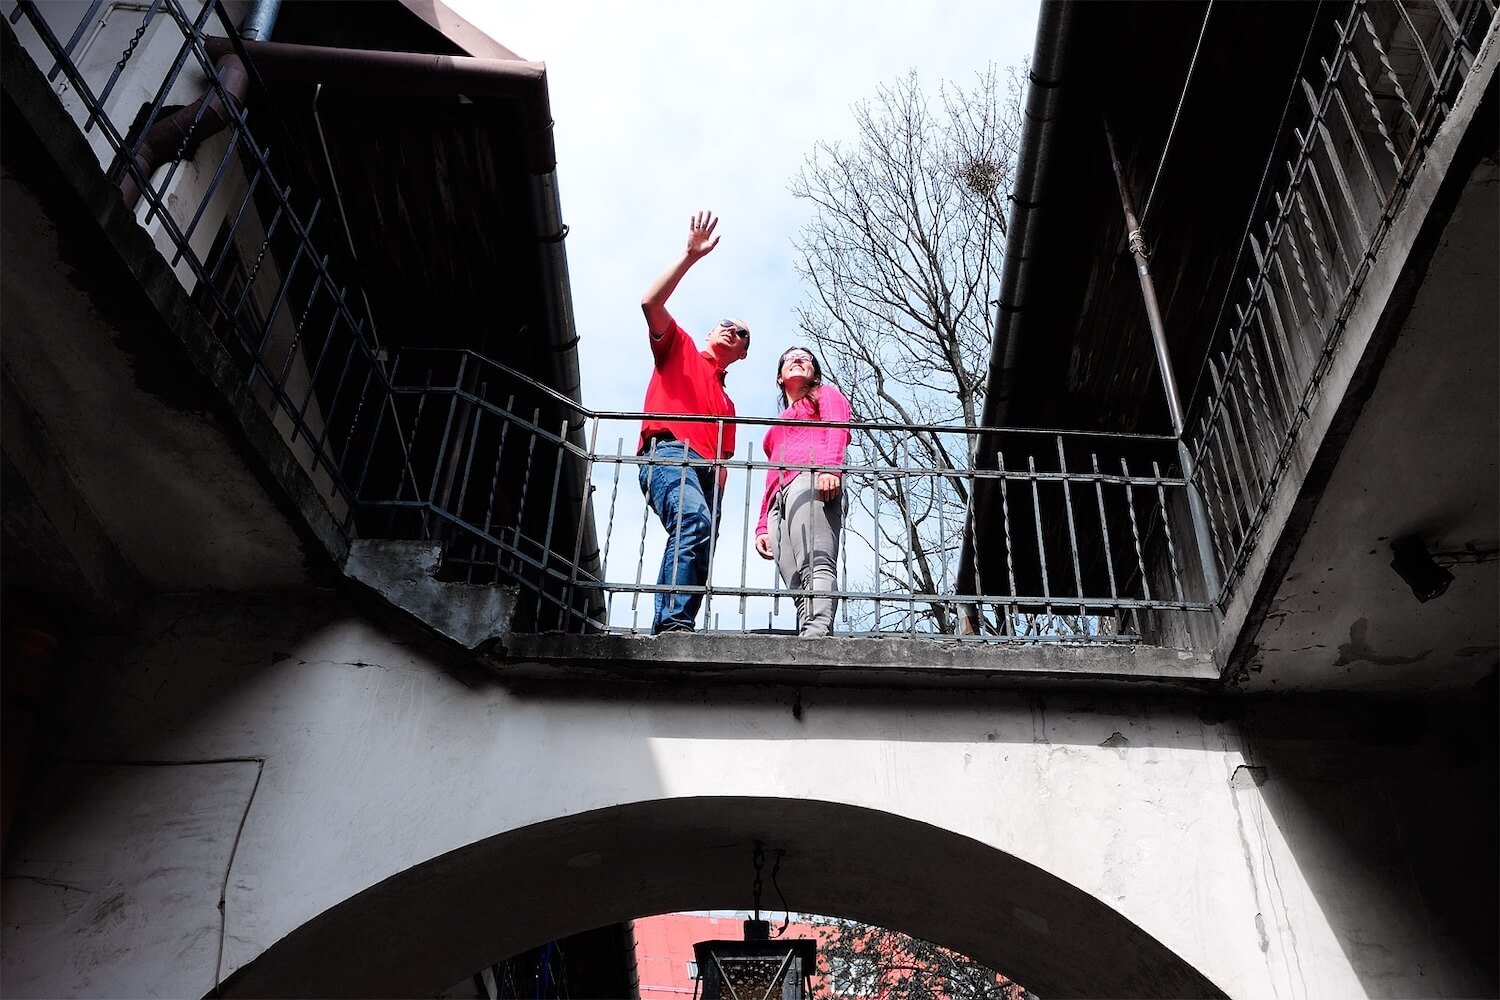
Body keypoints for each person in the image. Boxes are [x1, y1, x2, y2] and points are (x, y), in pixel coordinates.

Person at [637, 211, 750, 634]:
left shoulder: (728, 403)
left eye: (741, 333)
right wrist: (689, 256)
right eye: (727, 325)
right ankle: (671, 625)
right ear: (710, 332)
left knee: (702, 539)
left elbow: (723, 460)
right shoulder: (680, 347)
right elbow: (651, 303)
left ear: (743, 354)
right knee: (692, 522)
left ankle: (680, 622)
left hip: (708, 476)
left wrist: (717, 494)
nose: (732, 331)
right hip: (669, 453)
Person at [754, 347, 851, 637]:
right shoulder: (778, 423)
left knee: (816, 561)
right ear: (779, 377)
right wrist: (762, 524)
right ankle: (810, 629)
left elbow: (838, 427)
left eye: (805, 358)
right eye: (789, 358)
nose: (797, 359)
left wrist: (830, 469)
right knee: (793, 575)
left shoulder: (825, 395)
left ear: (815, 374)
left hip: (810, 481)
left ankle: (817, 632)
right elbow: (770, 475)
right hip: (778, 500)